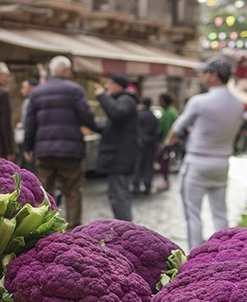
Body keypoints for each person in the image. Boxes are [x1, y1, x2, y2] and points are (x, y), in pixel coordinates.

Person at [164, 57, 245, 250]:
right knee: (220, 212)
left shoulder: (199, 101)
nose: (201, 76)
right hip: (222, 163)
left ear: (214, 76)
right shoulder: (238, 103)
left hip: (197, 162)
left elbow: (177, 128)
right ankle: (226, 251)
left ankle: (194, 253)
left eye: (204, 73)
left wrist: (167, 144)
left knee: (193, 214)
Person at [24, 56, 98, 229]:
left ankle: (45, 229)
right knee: (72, 190)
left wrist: (28, 147)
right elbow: (87, 117)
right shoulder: (75, 90)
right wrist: (99, 128)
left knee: (44, 192)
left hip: (44, 151)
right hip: (70, 150)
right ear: (65, 70)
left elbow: (30, 124)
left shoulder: (37, 92)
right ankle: (74, 229)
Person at [94, 74, 139, 221]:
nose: (107, 87)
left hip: (120, 158)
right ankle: (126, 226)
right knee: (119, 195)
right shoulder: (123, 100)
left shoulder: (126, 100)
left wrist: (102, 96)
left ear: (118, 85)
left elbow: (116, 113)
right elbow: (110, 125)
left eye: (110, 83)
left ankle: (125, 228)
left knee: (119, 196)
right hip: (119, 157)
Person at [133, 97, 160, 195]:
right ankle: (147, 185)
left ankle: (136, 185)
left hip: (140, 143)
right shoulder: (153, 116)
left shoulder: (138, 115)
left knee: (137, 165)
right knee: (148, 165)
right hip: (151, 143)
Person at [155, 93, 179, 191]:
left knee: (163, 159)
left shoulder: (169, 113)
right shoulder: (169, 111)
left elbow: (168, 128)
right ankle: (166, 180)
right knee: (163, 160)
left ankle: (166, 181)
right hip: (166, 141)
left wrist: (166, 142)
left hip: (167, 142)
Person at [16, 77, 39, 169]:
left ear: (32, 88)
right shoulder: (27, 101)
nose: (21, 89)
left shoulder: (31, 102)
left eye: (24, 87)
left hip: (31, 138)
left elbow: (29, 122)